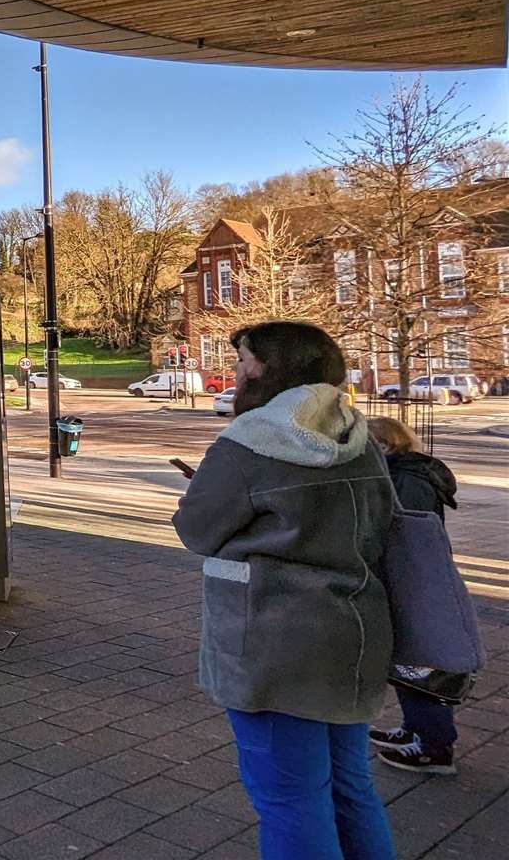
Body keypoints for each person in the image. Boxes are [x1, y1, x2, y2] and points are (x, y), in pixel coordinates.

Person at [173, 321, 395, 860]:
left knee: (290, 800)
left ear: (271, 369)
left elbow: (196, 529)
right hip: (354, 634)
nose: (237, 371)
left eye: (246, 361)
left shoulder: (248, 443)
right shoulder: (357, 437)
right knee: (351, 789)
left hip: (273, 644)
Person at [366, 414, 461, 776]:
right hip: (412, 581)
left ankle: (435, 747)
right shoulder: (407, 473)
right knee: (408, 663)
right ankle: (416, 728)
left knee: (418, 664)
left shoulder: (404, 479)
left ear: (386, 446)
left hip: (411, 583)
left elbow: (402, 535)